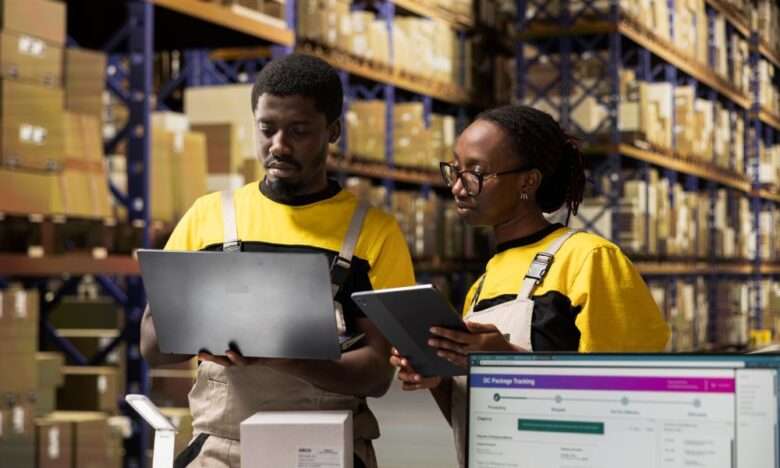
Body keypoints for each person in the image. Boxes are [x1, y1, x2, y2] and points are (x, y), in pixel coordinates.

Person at [140, 53, 415, 468]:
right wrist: (205, 333)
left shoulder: (374, 233)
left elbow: (378, 374)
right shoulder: (208, 216)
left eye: (299, 131)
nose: (279, 146)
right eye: (267, 129)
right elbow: (151, 344)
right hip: (220, 448)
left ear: (333, 131)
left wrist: (282, 356)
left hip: (325, 449)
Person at [390, 105, 670, 467]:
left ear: (527, 181)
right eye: (455, 170)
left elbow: (630, 400)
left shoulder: (589, 258)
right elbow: (473, 424)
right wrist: (438, 375)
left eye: (476, 172)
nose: (458, 186)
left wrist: (507, 362)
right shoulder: (482, 285)